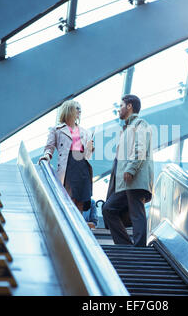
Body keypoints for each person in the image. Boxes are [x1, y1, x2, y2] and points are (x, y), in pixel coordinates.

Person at [102, 94, 154, 247]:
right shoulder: (126, 129)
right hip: (124, 182)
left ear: (129, 106)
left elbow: (141, 148)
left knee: (136, 212)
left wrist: (131, 169)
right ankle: (125, 245)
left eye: (121, 106)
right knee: (108, 209)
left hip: (134, 178)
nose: (119, 110)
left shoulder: (140, 124)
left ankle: (139, 248)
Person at [39, 100, 94, 213]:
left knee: (81, 201)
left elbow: (87, 155)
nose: (79, 111)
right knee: (70, 198)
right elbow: (49, 147)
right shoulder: (56, 130)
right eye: (76, 108)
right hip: (68, 166)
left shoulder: (85, 132)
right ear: (69, 110)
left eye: (80, 108)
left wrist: (90, 149)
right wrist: (47, 156)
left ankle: (79, 226)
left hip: (83, 167)